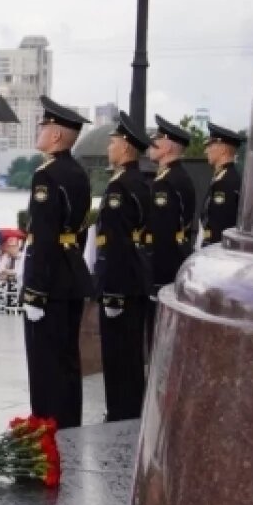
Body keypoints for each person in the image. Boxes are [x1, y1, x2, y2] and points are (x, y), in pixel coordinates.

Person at [21, 96, 94, 429]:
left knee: (44, 363)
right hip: (71, 274)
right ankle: (68, 424)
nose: (40, 130)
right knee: (67, 360)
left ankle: (46, 426)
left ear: (56, 136)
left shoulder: (46, 175)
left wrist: (34, 291)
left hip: (48, 282)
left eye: (44, 125)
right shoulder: (78, 172)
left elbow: (45, 236)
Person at [94, 113, 153, 421]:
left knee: (119, 353)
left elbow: (115, 243)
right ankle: (127, 408)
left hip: (121, 280)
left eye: (114, 141)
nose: (110, 146)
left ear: (127, 147)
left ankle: (121, 411)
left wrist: (112, 291)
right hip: (135, 276)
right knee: (129, 351)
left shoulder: (121, 187)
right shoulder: (138, 181)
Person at [145, 115, 197, 349]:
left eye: (156, 141)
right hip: (175, 255)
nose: (151, 146)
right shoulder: (176, 176)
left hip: (165, 263)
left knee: (158, 335)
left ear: (166, 147)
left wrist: (156, 278)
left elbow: (162, 232)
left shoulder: (167, 182)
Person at [200, 122, 245, 247]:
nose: (205, 151)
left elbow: (220, 226)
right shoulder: (223, 178)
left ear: (223, 149)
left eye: (209, 145)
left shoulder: (226, 182)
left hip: (217, 250)